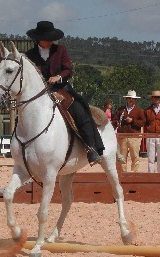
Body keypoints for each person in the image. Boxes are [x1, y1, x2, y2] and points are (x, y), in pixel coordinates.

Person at [25, 21, 104, 165]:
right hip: (38, 93)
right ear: (39, 39)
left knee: (80, 109)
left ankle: (91, 148)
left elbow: (68, 69)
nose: (50, 41)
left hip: (61, 88)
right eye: (47, 38)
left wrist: (58, 77)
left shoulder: (61, 50)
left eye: (51, 38)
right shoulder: (29, 55)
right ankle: (20, 144)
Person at [112, 90, 145, 172]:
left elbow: (142, 122)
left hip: (134, 137)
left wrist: (132, 121)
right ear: (126, 99)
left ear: (135, 100)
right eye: (129, 98)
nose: (131, 100)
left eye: (132, 98)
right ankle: (123, 174)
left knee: (135, 157)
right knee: (122, 157)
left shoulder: (139, 110)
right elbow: (114, 120)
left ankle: (134, 174)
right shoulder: (121, 110)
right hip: (122, 136)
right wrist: (117, 122)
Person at [144, 90, 160, 173]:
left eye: (158, 97)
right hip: (150, 135)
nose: (157, 99)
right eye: (155, 97)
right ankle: (151, 175)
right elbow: (145, 122)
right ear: (152, 98)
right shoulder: (147, 110)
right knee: (151, 157)